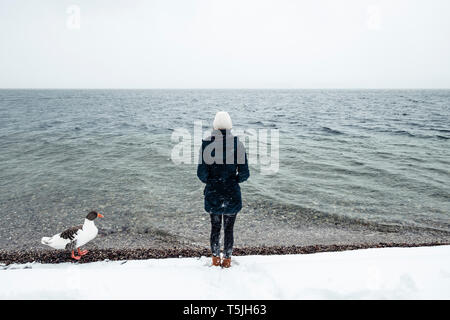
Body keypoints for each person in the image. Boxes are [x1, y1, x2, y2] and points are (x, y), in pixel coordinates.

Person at [197, 111, 250, 268]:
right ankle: (227, 260)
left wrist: (213, 182)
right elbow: (245, 173)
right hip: (231, 193)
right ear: (230, 125)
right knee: (229, 229)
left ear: (214, 125)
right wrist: (232, 180)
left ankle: (215, 259)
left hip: (213, 193)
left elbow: (201, 174)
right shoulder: (237, 145)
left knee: (215, 228)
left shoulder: (207, 144)